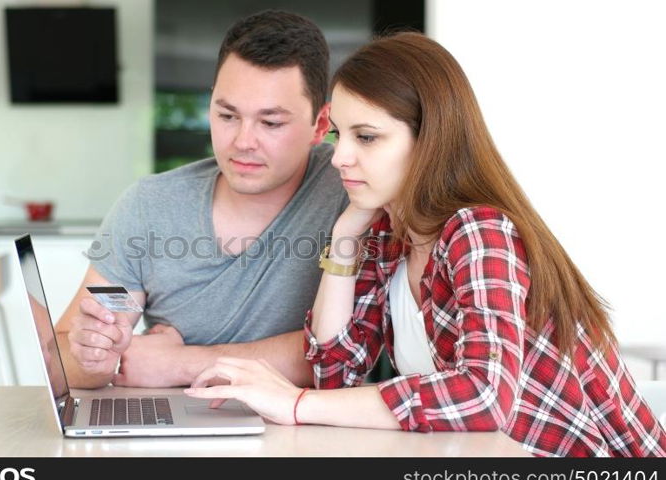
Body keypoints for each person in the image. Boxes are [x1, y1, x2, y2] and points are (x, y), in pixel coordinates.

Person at [185, 32, 666, 457]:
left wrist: (295, 403)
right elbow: (335, 373)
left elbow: (482, 396)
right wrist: (345, 236)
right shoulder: (387, 237)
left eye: (367, 137)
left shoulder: (478, 231)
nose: (340, 157)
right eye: (339, 134)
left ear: (428, 141)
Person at [54, 10, 347, 389]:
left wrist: (181, 364)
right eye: (227, 115)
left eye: (271, 123)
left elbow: (340, 354)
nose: (243, 141)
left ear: (320, 125)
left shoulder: (349, 187)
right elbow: (64, 356)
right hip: (175, 437)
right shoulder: (149, 208)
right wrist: (94, 356)